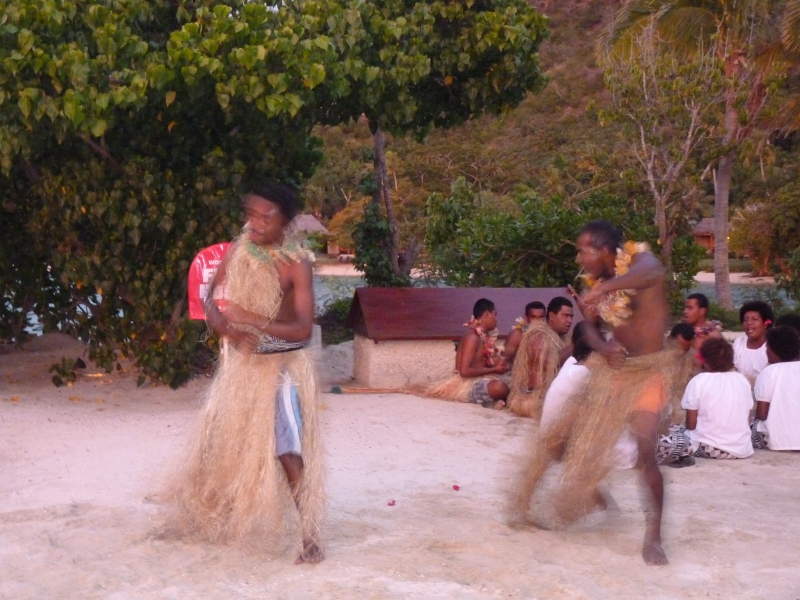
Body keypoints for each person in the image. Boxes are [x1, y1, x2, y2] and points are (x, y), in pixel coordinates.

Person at [165, 183, 325, 564]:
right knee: (218, 439)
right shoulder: (239, 250)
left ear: (285, 222)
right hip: (244, 365)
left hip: (283, 366)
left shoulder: (296, 264)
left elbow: (303, 330)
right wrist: (224, 326)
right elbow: (208, 297)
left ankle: (310, 537)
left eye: (266, 217)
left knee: (287, 449)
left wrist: (250, 319)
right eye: (251, 214)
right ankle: (208, 513)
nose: (255, 223)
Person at [511, 220, 676, 566]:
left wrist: (606, 288)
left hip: (649, 372)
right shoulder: (595, 284)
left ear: (603, 251)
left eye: (582, 251)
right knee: (558, 438)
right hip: (613, 371)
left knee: (645, 451)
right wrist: (604, 347)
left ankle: (654, 536)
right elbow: (588, 327)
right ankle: (564, 499)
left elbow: (653, 273)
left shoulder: (638, 262)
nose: (578, 258)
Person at [658, 338, 753, 464]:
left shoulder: (699, 381)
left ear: (704, 360)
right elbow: (747, 419)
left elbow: (691, 425)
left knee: (665, 436)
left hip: (710, 447)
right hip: (742, 448)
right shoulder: (742, 380)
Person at [423, 298, 510, 409]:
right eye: (495, 314)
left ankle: (492, 401)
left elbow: (483, 363)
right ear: (487, 314)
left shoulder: (484, 337)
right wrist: (494, 370)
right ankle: (491, 401)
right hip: (467, 384)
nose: (496, 319)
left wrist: (501, 364)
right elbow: (464, 371)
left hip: (482, 380)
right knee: (499, 387)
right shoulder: (472, 337)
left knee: (512, 384)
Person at [507, 297, 574, 419]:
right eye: (565, 316)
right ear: (552, 316)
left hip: (548, 396)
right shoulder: (538, 334)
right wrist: (575, 345)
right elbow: (547, 363)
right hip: (531, 399)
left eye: (571, 317)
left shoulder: (563, 338)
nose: (569, 320)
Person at [752, 327, 800, 451]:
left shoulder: (769, 371)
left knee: (751, 425)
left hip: (776, 441)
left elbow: (762, 414)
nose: (766, 351)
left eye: (767, 347)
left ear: (775, 350)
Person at [733, 300, 774, 386]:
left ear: (765, 323)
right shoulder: (739, 343)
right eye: (745, 320)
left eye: (754, 319)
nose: (749, 323)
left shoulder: (772, 346)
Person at [503, 301, 547, 366]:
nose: (537, 322)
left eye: (540, 318)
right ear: (526, 317)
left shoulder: (548, 336)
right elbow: (503, 360)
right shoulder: (517, 335)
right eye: (533, 317)